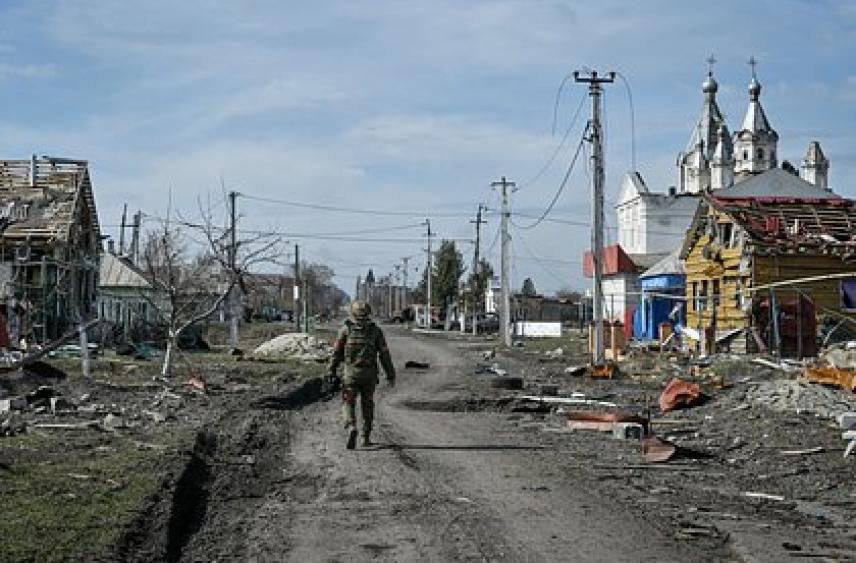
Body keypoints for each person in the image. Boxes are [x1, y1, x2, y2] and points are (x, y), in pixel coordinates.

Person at [329, 300, 396, 449]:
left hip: (350, 374)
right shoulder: (376, 331)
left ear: (352, 313)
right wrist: (390, 374)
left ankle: (351, 426)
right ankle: (365, 437)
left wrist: (331, 370)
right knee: (367, 404)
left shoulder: (345, 330)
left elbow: (336, 352)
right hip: (369, 376)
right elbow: (385, 355)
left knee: (348, 402)